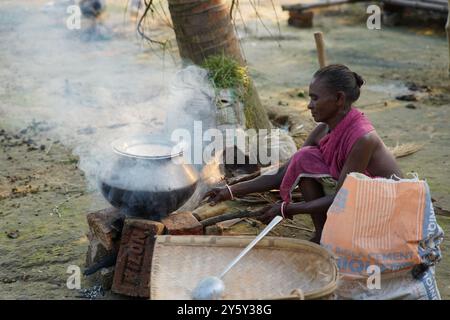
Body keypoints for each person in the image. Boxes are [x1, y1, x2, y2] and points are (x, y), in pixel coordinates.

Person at [204, 64, 403, 243]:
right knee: (303, 159)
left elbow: (343, 198)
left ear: (339, 99)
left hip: (383, 206)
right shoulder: (323, 130)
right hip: (353, 197)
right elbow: (285, 171)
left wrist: (287, 209)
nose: (309, 105)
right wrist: (229, 191)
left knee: (305, 159)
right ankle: (323, 233)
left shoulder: (362, 139)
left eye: (315, 98)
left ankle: (339, 237)